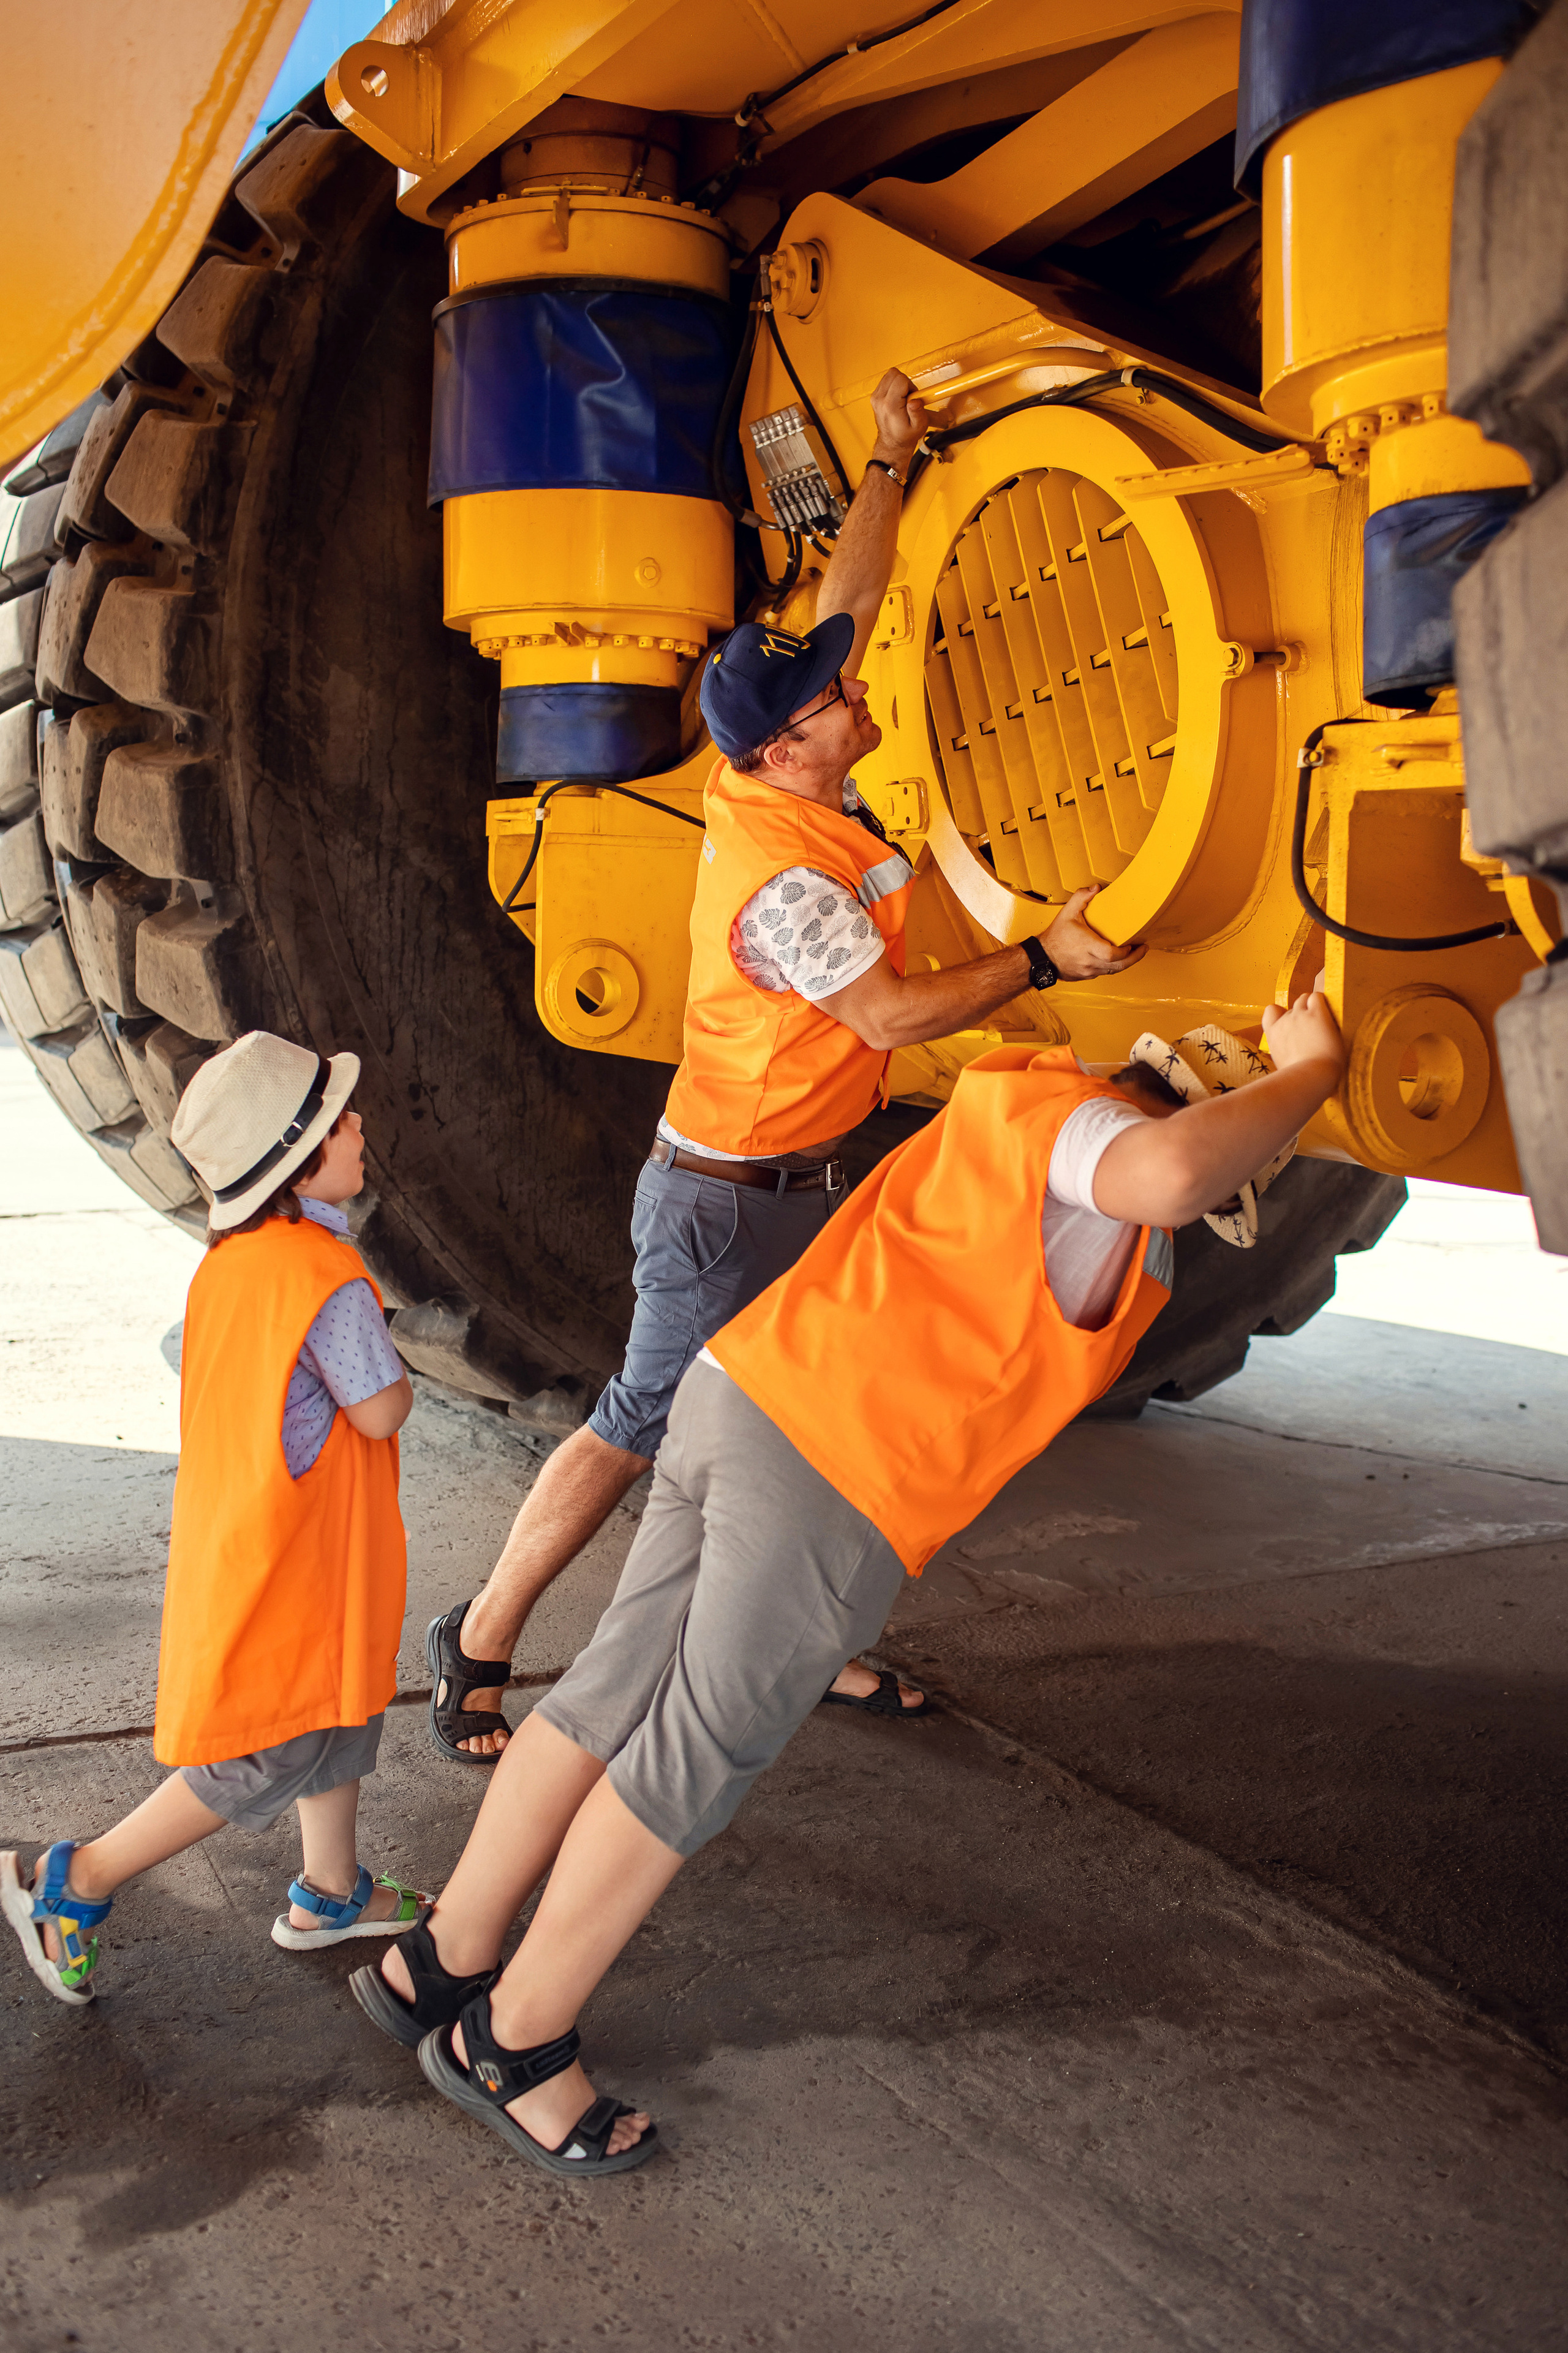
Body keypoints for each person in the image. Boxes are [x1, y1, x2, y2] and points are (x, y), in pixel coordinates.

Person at [352, 980, 1346, 2175]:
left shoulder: (1017, 1100)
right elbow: (1170, 1173)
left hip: (744, 1391)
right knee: (690, 1754)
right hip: (831, 1465)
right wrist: (1313, 1073)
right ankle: (512, 2040)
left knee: (610, 1693)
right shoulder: (1096, 1137)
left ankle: (440, 1961)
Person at [428, 363, 1148, 1760]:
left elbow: (848, 603)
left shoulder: (771, 762)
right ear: (790, 744)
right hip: (724, 1205)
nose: (855, 687)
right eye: (834, 696)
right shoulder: (788, 885)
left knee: (804, 1420)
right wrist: (1046, 961)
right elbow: (889, 1020)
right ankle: (480, 1634)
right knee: (640, 1422)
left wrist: (886, 458)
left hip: (798, 1185)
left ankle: (797, 1646)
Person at [1, 1032, 424, 2006]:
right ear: (301, 1163)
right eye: (338, 1119)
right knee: (268, 1750)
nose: (359, 1123)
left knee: (338, 1711)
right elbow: (381, 1410)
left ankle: (330, 1891)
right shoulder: (323, 1275)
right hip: (299, 1568)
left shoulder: (231, 1263)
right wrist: (390, 1353)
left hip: (254, 1541)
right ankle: (74, 1879)